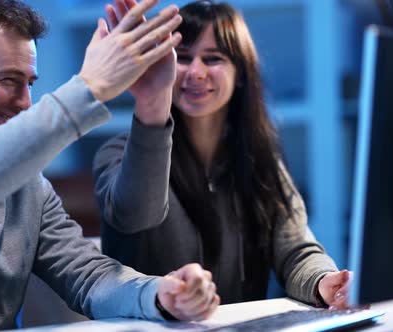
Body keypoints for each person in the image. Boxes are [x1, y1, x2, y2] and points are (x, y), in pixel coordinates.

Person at [0, 0, 220, 330]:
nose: (25, 102)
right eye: (8, 80)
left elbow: (88, 276)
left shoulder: (27, 183)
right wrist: (88, 87)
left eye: (29, 83)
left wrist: (160, 294)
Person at [94, 0, 351, 309]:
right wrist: (152, 102)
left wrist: (325, 282)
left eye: (213, 58)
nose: (196, 72)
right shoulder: (119, 153)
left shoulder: (260, 160)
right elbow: (136, 214)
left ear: (241, 73)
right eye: (183, 58)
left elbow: (295, 250)